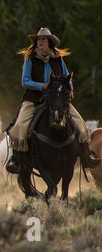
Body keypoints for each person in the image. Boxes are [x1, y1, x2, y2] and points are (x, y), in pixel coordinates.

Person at [6, 27, 100, 173]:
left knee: (81, 125)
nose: (40, 42)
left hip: (57, 99)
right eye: (38, 39)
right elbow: (25, 81)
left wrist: (70, 90)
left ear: (49, 42)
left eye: (43, 39)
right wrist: (42, 85)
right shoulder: (30, 59)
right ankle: (16, 159)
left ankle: (86, 156)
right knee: (19, 126)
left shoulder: (57, 58)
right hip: (34, 99)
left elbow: (66, 76)